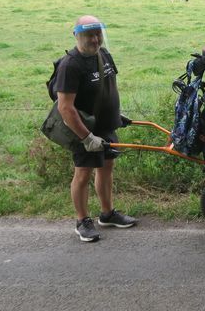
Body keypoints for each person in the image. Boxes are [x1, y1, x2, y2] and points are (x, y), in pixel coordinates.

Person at [55, 15, 136, 242]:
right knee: (83, 173)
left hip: (106, 124)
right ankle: (82, 221)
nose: (95, 39)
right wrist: (86, 137)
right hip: (85, 129)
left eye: (98, 33)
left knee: (106, 167)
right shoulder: (70, 65)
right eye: (89, 35)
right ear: (76, 35)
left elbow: (107, 86)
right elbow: (65, 107)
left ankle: (107, 213)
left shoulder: (104, 54)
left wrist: (115, 114)